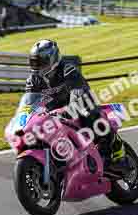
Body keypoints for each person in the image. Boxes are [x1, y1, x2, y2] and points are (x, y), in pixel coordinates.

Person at [24, 39, 132, 175]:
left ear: (52, 59)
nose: (38, 66)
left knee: (91, 118)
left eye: (41, 62)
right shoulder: (32, 80)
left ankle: (118, 153)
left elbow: (77, 91)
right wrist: (27, 116)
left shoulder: (67, 70)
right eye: (35, 62)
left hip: (81, 103)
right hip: (54, 112)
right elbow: (29, 103)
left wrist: (70, 108)